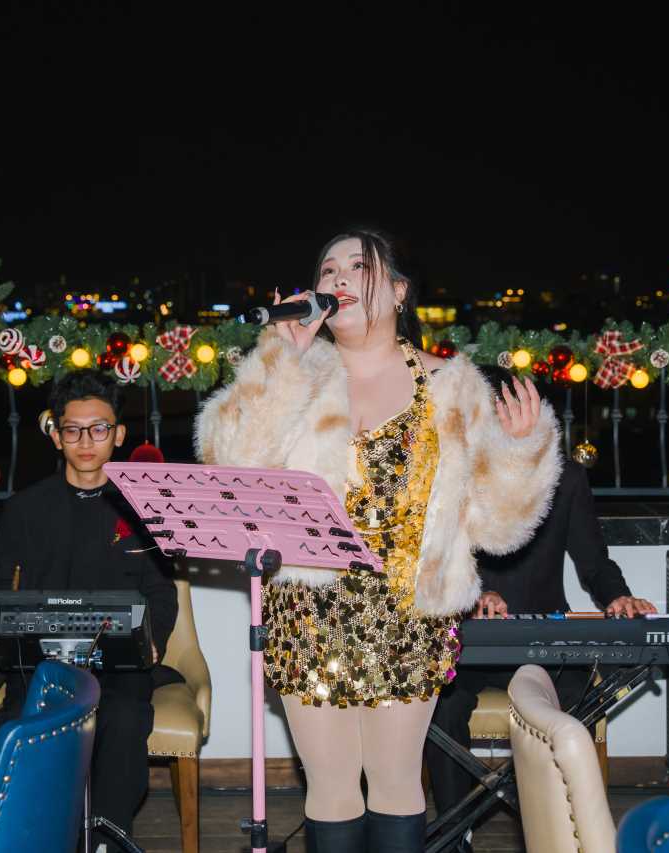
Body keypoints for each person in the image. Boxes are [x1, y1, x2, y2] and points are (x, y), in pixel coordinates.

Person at [195, 228, 564, 852]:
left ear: (397, 292)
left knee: (396, 784)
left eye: (358, 267)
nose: (338, 277)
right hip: (308, 613)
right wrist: (280, 362)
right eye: (328, 269)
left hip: (409, 614)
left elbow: (499, 527)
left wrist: (522, 451)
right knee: (330, 788)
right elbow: (232, 468)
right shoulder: (300, 375)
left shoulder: (452, 387)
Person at [426, 453, 657, 852]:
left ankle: (566, 831)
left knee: (577, 697)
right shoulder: (461, 470)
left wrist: (619, 597)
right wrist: (473, 594)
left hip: (546, 642)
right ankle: (455, 834)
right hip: (472, 636)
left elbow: (595, 563)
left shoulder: (566, 477)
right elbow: (437, 558)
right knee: (441, 699)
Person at [0, 370, 179, 845]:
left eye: (99, 429)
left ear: (118, 434)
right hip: (45, 669)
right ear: (56, 436)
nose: (86, 441)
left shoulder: (144, 510)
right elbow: (2, 594)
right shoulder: (24, 510)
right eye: (73, 430)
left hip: (121, 668)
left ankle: (105, 840)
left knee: (123, 718)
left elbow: (161, 593)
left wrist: (152, 641)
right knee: (26, 720)